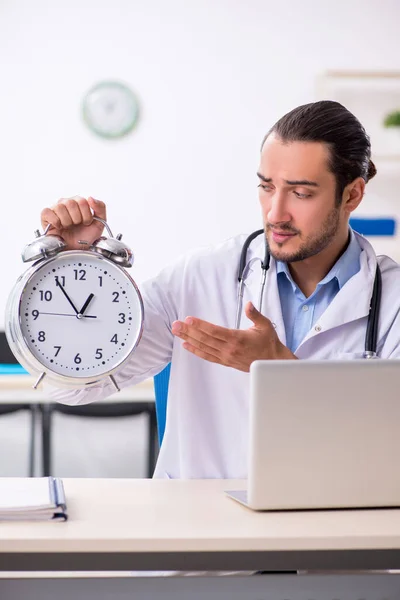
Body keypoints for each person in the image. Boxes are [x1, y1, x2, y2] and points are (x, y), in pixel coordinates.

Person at [41, 100, 400, 479]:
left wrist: (283, 371)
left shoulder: (392, 302)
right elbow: (73, 389)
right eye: (266, 187)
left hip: (341, 526)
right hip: (203, 528)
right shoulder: (197, 278)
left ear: (351, 196)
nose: (275, 213)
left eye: (300, 193)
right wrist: (72, 269)